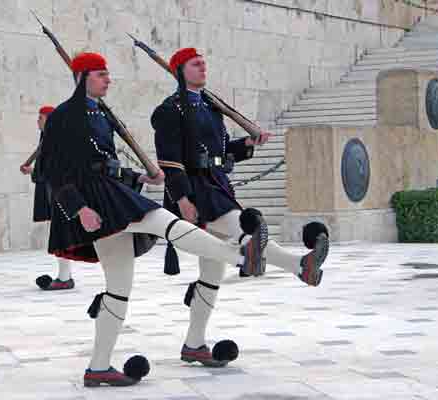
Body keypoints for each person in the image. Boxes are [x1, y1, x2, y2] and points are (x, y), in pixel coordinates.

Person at [40, 51, 321, 388]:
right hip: (95, 198)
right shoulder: (64, 116)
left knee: (118, 288)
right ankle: (244, 257)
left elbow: (103, 161)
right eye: (101, 74)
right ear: (82, 76)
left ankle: (98, 367)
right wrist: (79, 208)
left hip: (114, 189)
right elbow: (52, 171)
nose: (108, 79)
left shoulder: (99, 112)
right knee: (162, 221)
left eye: (107, 74)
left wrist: (139, 177)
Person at [151, 47, 330, 366]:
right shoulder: (169, 110)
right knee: (248, 232)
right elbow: (169, 159)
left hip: (217, 183)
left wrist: (246, 144)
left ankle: (193, 345)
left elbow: (218, 150)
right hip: (195, 191)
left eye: (204, 61)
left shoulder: (208, 105)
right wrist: (181, 199)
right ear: (180, 71)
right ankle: (299, 266)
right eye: (196, 64)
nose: (203, 66)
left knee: (211, 274)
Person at [20, 106, 76, 290]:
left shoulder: (57, 140)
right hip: (56, 192)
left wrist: (33, 171)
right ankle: (64, 276)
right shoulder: (49, 138)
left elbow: (55, 169)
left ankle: (65, 278)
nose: (38, 121)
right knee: (60, 234)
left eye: (40, 118)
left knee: (62, 235)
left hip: (62, 192)